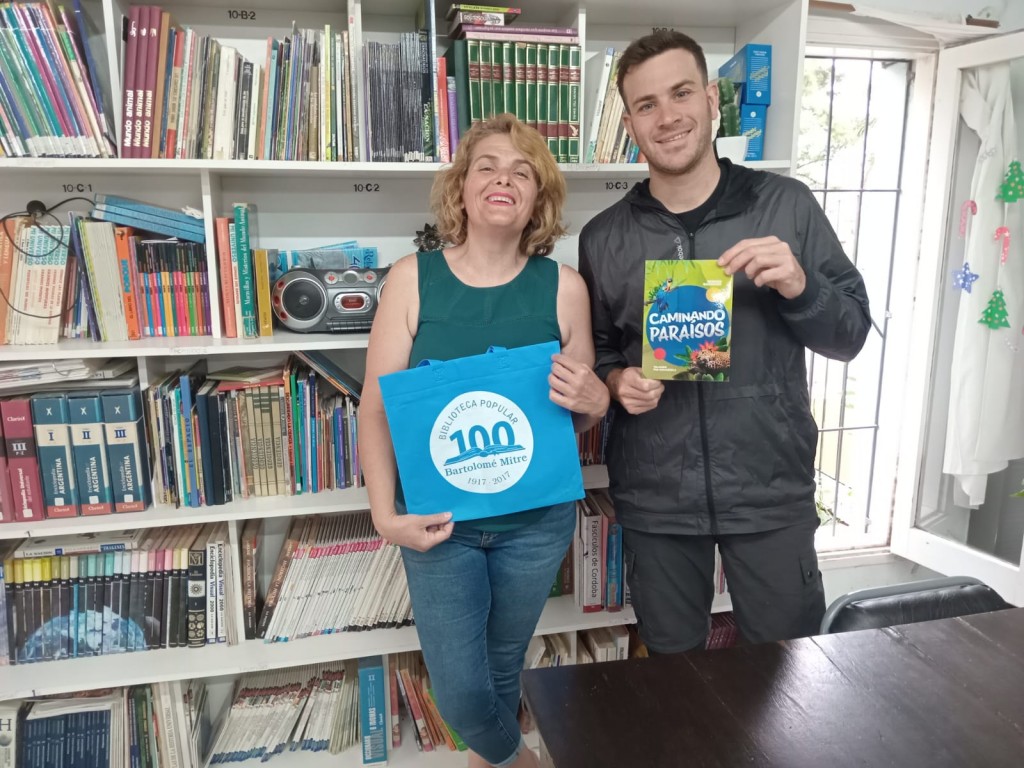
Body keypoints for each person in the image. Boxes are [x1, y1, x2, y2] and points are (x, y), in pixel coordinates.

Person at [578, 30, 872, 654]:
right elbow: (599, 350)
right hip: (658, 498)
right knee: (674, 680)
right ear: (630, 123)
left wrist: (799, 284)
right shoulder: (604, 237)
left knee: (792, 674)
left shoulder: (786, 206)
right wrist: (614, 380)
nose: (668, 116)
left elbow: (850, 335)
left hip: (769, 490)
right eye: (647, 104)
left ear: (712, 99)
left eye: (681, 92)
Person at [358, 113, 609, 768]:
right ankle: (521, 762)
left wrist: (598, 399)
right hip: (440, 524)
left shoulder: (566, 289)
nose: (505, 178)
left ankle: (484, 763)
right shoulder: (412, 279)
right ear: (462, 188)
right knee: (463, 691)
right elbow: (375, 410)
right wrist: (386, 517)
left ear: (538, 198)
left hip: (535, 524)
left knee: (501, 668)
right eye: (488, 166)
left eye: (523, 170)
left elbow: (578, 410)